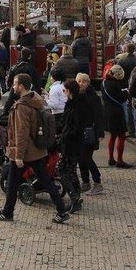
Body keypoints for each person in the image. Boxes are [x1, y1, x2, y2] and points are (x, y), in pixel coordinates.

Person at [0, 73, 70, 224]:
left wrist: (19, 155)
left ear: (21, 86)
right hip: (37, 150)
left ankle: (8, 212)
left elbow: (21, 132)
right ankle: (61, 210)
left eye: (15, 84)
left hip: (25, 151)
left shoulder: (22, 106)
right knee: (45, 180)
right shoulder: (36, 100)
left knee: (13, 182)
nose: (13, 87)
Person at [57, 80, 86, 212]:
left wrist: (64, 135)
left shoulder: (77, 106)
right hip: (69, 143)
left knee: (64, 170)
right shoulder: (71, 104)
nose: (64, 92)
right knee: (71, 171)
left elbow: (76, 127)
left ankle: (74, 197)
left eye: (65, 90)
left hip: (72, 144)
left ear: (70, 91)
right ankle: (76, 199)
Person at [76, 73, 104, 195]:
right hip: (80, 132)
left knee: (86, 158)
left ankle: (97, 182)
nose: (81, 84)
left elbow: (99, 116)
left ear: (88, 83)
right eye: (79, 81)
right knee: (81, 158)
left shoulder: (94, 98)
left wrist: (100, 133)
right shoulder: (77, 96)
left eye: (83, 81)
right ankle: (85, 182)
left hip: (90, 132)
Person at [100, 65, 130, 168]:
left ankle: (111, 158)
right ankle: (120, 160)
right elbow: (122, 98)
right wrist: (126, 92)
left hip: (107, 112)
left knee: (112, 136)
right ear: (117, 75)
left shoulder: (103, 83)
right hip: (117, 112)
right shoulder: (116, 85)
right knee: (121, 136)